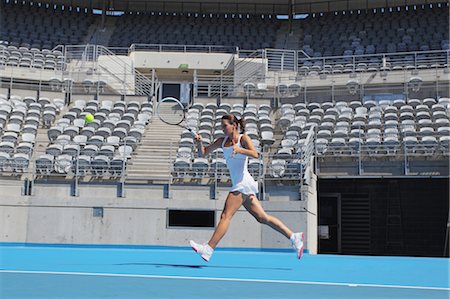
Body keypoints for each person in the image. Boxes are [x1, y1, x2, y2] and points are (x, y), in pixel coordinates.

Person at [189, 113, 304, 262]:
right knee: (263, 218)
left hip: (242, 182)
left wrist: (240, 150)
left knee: (225, 216)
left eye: (225, 126)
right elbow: (203, 153)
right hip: (244, 183)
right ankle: (294, 237)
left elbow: (255, 154)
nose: (222, 129)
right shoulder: (221, 141)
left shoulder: (243, 138)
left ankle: (208, 249)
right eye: (221, 126)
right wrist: (199, 142)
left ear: (234, 126)